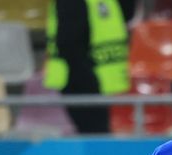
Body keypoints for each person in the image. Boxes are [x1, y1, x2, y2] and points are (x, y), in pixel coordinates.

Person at [44, 0, 134, 134]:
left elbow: (127, 14)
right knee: (94, 135)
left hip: (100, 81)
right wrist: (91, 82)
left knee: (97, 134)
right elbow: (68, 45)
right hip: (80, 81)